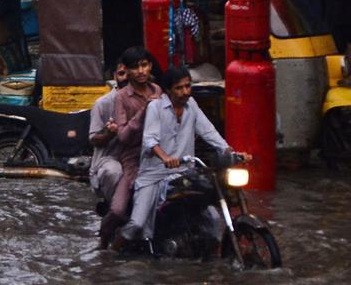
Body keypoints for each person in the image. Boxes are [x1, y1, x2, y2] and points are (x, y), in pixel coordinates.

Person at [115, 67, 245, 250]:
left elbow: (208, 131)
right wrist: (166, 158)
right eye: (179, 88)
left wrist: (230, 151)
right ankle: (112, 253)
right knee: (137, 224)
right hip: (154, 174)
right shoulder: (155, 107)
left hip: (185, 171)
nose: (185, 92)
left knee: (212, 215)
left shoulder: (191, 104)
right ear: (168, 90)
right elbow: (150, 140)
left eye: (187, 86)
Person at [98, 47, 164, 246]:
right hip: (132, 158)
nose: (141, 71)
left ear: (150, 66)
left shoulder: (157, 90)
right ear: (127, 71)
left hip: (158, 155)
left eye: (144, 65)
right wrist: (144, 111)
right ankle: (104, 242)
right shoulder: (122, 97)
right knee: (118, 209)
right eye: (135, 67)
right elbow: (123, 136)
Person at [88, 61, 127, 247]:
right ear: (114, 76)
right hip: (109, 161)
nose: (126, 78)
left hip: (138, 160)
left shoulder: (150, 100)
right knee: (114, 173)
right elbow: (94, 138)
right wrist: (110, 132)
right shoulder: (103, 104)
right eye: (121, 74)